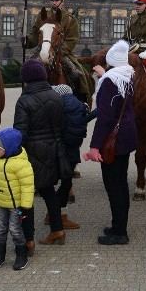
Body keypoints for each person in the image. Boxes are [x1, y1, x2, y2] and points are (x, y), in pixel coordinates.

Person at [83, 40, 138, 246]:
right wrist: (102, 75)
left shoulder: (109, 81)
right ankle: (118, 225)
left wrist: (94, 146)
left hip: (113, 139)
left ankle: (119, 232)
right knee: (121, 183)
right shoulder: (127, 76)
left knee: (113, 185)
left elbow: (105, 117)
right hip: (127, 135)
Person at [14, 58, 67, 246]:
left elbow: (20, 132)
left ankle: (27, 239)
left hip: (32, 152)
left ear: (26, 79)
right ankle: (57, 229)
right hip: (52, 149)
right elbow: (62, 125)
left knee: (26, 194)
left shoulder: (24, 100)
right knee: (48, 192)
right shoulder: (56, 96)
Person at [22, 0, 94, 101]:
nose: (54, 2)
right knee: (28, 70)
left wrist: (59, 51)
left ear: (62, 1)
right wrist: (27, 40)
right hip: (43, 51)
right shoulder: (42, 16)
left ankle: (83, 100)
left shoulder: (70, 19)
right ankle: (26, 99)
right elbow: (35, 35)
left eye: (57, 0)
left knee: (78, 74)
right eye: (52, 0)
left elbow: (72, 39)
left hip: (62, 53)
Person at [0, 128, 34, 271]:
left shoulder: (21, 164)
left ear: (9, 147)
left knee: (15, 229)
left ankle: (22, 254)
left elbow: (28, 186)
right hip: (1, 203)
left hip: (16, 205)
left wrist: (25, 206)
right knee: (0, 228)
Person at [49, 84, 87, 230]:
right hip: (70, 148)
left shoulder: (56, 104)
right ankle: (56, 214)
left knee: (79, 74)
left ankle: (54, 213)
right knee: (66, 181)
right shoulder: (75, 105)